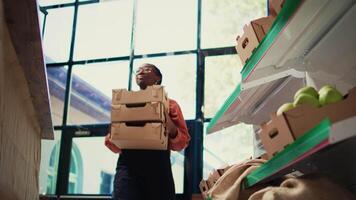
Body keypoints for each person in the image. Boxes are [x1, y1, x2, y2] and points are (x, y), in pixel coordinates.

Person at [104, 63, 191, 200]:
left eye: (147, 69)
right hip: (128, 168)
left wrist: (164, 118)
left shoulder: (171, 105)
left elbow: (182, 143)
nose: (140, 71)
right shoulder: (123, 103)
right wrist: (116, 126)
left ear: (158, 78)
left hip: (158, 168)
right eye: (138, 70)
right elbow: (112, 145)